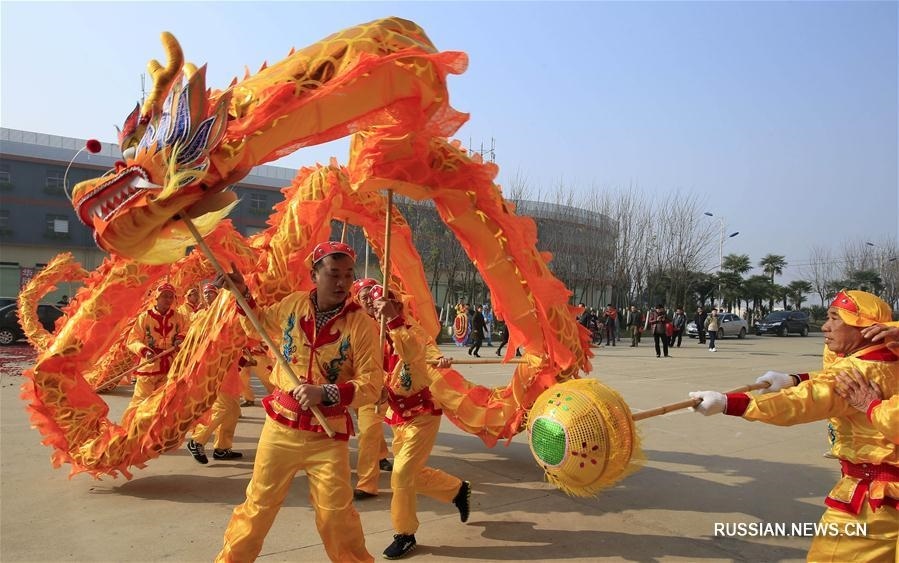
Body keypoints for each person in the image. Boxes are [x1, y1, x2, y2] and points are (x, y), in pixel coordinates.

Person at [690, 290, 899, 562]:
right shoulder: (888, 360)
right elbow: (821, 381)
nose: (825, 327)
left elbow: (802, 403)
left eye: (835, 319)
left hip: (871, 499)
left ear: (866, 329)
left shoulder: (854, 376)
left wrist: (730, 403)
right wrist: (793, 379)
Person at [215, 241, 383, 563]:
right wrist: (242, 294)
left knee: (337, 517)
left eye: (348, 275)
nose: (342, 283)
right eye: (333, 273)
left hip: (328, 435)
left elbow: (372, 385)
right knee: (258, 507)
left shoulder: (361, 325)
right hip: (280, 428)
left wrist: (327, 393)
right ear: (314, 274)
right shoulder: (293, 306)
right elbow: (259, 326)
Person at [370, 284, 471, 559]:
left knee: (401, 474)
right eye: (370, 306)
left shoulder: (410, 331)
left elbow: (417, 352)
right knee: (410, 474)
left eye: (380, 305)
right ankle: (456, 489)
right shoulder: (368, 337)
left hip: (422, 416)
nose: (374, 310)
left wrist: (438, 359)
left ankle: (405, 533)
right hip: (396, 417)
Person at [187, 283, 244, 463]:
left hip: (231, 367)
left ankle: (222, 448)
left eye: (212, 293)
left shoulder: (228, 314)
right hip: (215, 368)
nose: (209, 296)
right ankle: (197, 441)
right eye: (206, 294)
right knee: (223, 407)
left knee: (233, 411)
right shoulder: (201, 316)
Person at [349, 277, 393, 501]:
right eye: (364, 296)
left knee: (368, 431)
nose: (368, 300)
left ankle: (367, 483)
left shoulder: (388, 321)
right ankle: (381, 454)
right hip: (354, 384)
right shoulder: (352, 321)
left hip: (379, 385)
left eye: (372, 295)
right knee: (370, 428)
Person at [123, 283, 188, 415]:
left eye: (171, 297)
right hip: (149, 367)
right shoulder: (144, 317)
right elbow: (133, 340)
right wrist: (144, 351)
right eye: (164, 296)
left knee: (163, 405)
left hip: (170, 367)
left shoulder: (179, 317)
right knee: (140, 404)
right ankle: (131, 432)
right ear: (157, 298)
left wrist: (180, 338)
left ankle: (156, 434)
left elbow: (188, 331)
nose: (168, 300)